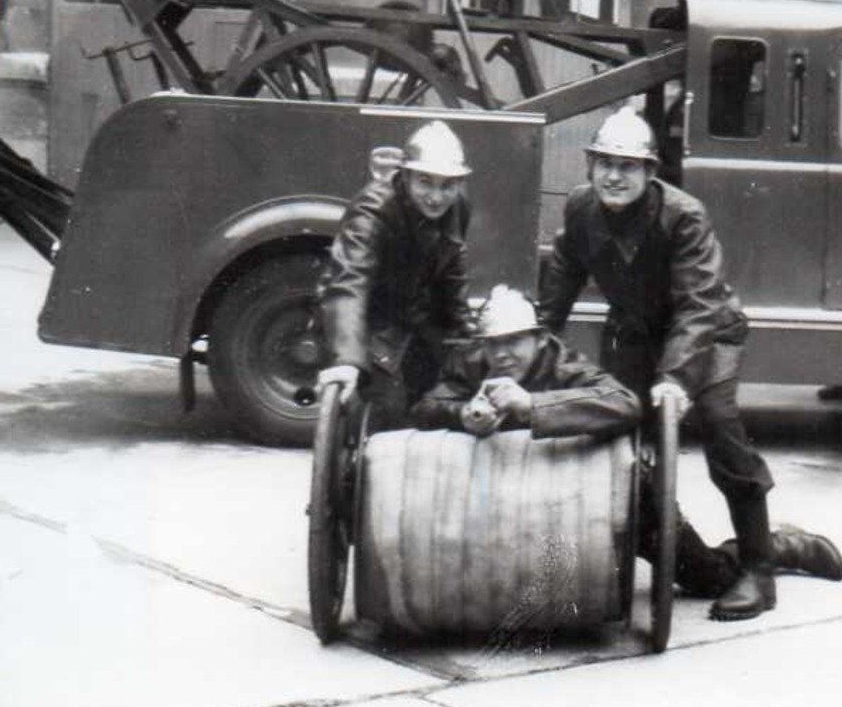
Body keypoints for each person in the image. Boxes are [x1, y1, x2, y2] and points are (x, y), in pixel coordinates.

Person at [539, 107, 842, 620]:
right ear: (590, 165)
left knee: (721, 425)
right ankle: (773, 546)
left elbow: (699, 304)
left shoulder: (684, 216)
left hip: (707, 335)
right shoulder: (580, 209)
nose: (615, 175)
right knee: (617, 432)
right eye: (605, 163)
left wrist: (676, 380)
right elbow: (559, 287)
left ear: (650, 172)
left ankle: (760, 571)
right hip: (638, 336)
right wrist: (532, 348)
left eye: (629, 165)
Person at [412, 285, 742, 599]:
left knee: (709, 578)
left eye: (513, 341)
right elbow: (425, 408)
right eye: (492, 343)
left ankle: (772, 547)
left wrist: (533, 406)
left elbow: (625, 404)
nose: (501, 354)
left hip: (584, 491)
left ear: (540, 339)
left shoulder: (564, 364)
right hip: (513, 500)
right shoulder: (470, 363)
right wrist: (463, 414)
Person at [314, 119, 473, 431]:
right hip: (365, 321)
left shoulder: (458, 206)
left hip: (413, 318)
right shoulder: (373, 210)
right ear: (405, 175)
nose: (437, 197)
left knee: (447, 395)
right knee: (388, 412)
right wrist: (347, 359)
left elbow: (452, 268)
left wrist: (467, 340)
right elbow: (349, 282)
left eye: (448, 185)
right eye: (425, 182)